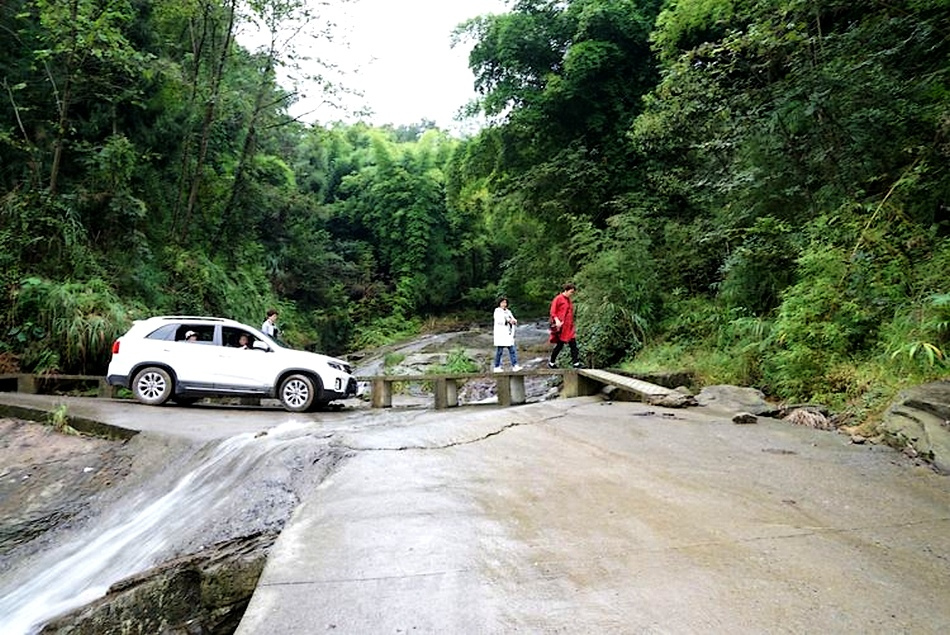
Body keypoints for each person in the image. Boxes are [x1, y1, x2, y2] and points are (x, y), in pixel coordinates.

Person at [549, 282, 582, 368]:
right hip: (561, 327)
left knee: (573, 345)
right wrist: (556, 321)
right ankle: (551, 362)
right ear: (566, 290)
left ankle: (576, 363)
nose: (572, 294)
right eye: (571, 292)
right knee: (560, 345)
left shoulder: (568, 300)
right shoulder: (558, 299)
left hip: (569, 327)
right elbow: (553, 311)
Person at [492, 296, 522, 372]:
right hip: (501, 334)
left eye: (505, 302)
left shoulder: (508, 311)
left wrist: (514, 321)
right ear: (499, 303)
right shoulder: (497, 311)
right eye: (502, 302)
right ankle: (497, 366)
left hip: (508, 334)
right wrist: (508, 321)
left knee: (512, 350)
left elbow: (513, 318)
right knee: (500, 351)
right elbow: (499, 320)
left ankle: (515, 365)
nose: (504, 304)